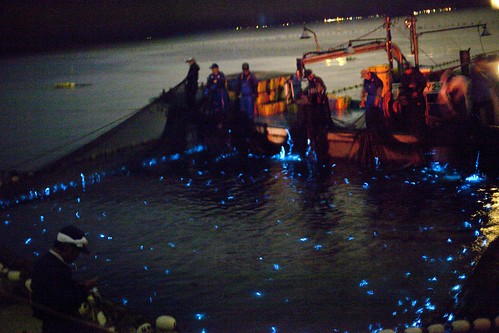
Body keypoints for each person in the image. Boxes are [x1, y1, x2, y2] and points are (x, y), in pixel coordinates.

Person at [31, 225, 97, 333]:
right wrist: (84, 289)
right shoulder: (57, 269)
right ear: (67, 248)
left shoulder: (44, 261)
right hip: (59, 323)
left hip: (48, 319)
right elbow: (67, 301)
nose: (78, 256)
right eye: (77, 252)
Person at [398, 64, 427, 132]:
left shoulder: (418, 75)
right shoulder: (404, 76)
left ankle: (421, 129)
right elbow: (404, 86)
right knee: (409, 113)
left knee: (419, 114)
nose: (407, 71)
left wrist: (417, 91)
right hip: (409, 97)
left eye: (408, 69)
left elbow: (423, 83)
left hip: (418, 96)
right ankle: (411, 129)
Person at [469, 56, 495, 126]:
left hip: (486, 96)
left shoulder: (486, 70)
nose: (484, 63)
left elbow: (492, 79)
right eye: (483, 61)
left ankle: (490, 128)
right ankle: (478, 130)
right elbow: (475, 69)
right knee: (476, 117)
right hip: (477, 98)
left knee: (490, 116)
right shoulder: (473, 69)